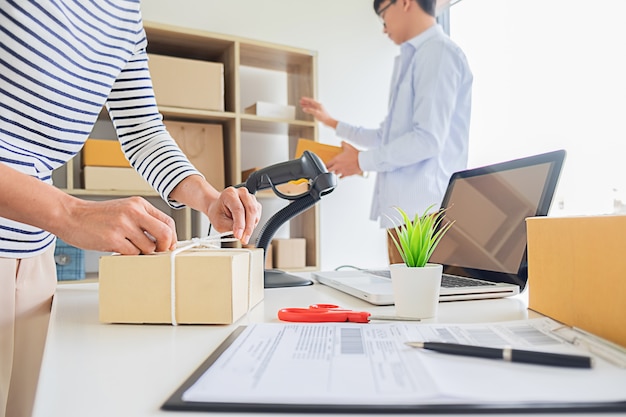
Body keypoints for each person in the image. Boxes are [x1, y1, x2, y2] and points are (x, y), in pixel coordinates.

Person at [0, 3, 261, 416]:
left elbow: (142, 130)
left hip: (33, 257)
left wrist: (208, 198)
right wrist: (68, 213)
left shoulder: (123, 15)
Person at [300, 0, 472, 265]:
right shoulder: (413, 58)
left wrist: (360, 161)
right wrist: (331, 122)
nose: (383, 28)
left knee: (418, 303)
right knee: (406, 301)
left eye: (382, 15)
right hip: (405, 215)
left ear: (404, 3)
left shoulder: (437, 53)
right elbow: (386, 137)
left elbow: (427, 140)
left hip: (425, 214)